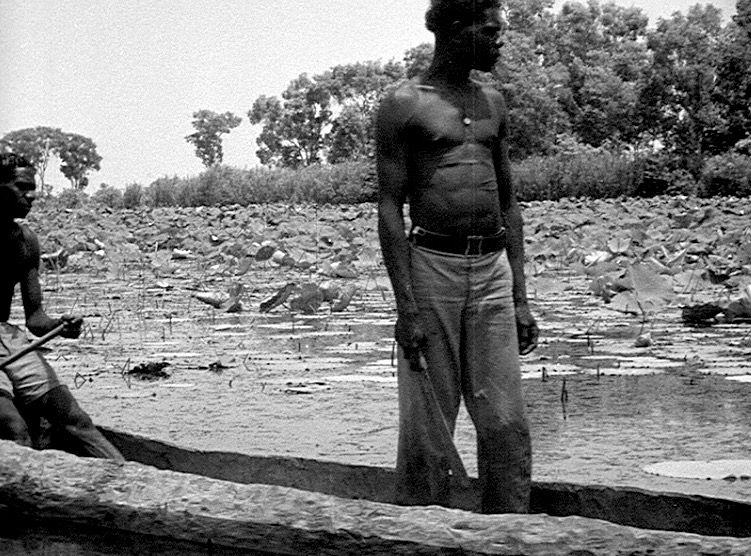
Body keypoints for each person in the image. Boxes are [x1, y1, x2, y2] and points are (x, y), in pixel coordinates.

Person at [376, 0, 538, 513]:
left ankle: (510, 531)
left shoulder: (494, 102)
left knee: (506, 421)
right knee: (428, 427)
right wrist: (406, 309)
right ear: (453, 29)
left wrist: (520, 298)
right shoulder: (404, 104)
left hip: (492, 271)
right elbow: (389, 207)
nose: (499, 40)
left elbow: (508, 202)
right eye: (489, 31)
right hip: (432, 271)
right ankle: (419, 533)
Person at [0, 152, 123, 460]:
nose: (31, 195)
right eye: (21, 187)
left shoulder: (26, 241)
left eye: (33, 188)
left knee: (76, 421)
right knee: (15, 428)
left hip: (7, 338)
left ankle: (130, 478)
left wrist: (59, 326)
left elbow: (35, 319)